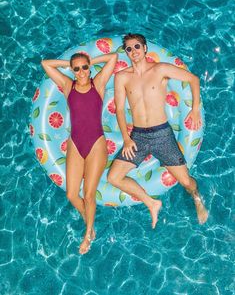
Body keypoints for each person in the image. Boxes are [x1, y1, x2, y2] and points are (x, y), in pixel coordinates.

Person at [108, 33, 208, 228]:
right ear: (126, 53)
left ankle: (197, 199)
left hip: (162, 134)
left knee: (186, 181)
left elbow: (194, 79)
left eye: (137, 47)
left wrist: (195, 109)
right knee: (114, 177)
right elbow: (119, 110)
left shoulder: (160, 69)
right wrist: (127, 140)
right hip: (138, 137)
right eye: (129, 49)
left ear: (145, 48)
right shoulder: (122, 77)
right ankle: (152, 202)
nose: (133, 51)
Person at [41, 50, 117, 254]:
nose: (82, 71)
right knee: (72, 194)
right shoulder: (68, 85)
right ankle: (89, 222)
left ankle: (87, 236)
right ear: (72, 71)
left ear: (89, 67)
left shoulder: (98, 84)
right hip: (75, 143)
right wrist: (68, 63)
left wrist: (90, 60)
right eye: (77, 68)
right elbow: (46, 63)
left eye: (85, 67)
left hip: (96, 144)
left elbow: (113, 58)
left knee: (89, 194)